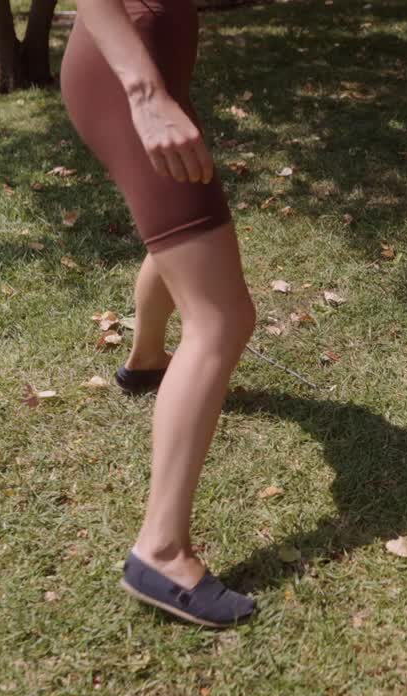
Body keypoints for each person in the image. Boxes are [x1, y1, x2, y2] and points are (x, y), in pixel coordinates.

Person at [61, 0, 257, 626]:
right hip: (130, 72)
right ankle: (162, 551)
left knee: (184, 237)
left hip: (149, 60)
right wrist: (146, 92)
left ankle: (146, 361)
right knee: (222, 319)